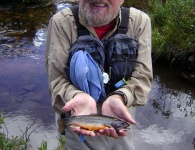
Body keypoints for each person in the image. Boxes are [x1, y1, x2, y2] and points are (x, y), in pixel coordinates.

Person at [45, 0, 153, 149]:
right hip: (77, 121)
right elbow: (56, 80)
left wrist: (121, 96)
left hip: (120, 114)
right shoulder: (61, 23)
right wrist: (76, 96)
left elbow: (142, 76)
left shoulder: (140, 22)